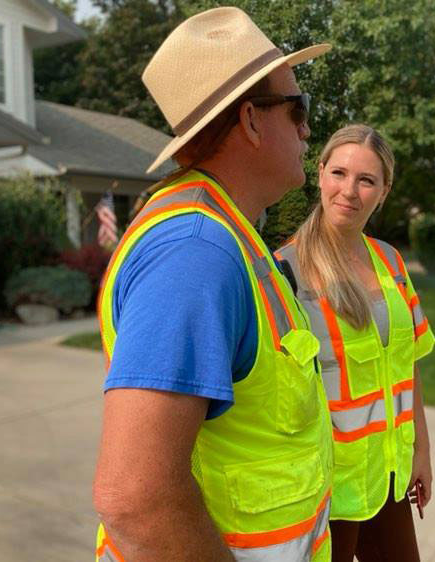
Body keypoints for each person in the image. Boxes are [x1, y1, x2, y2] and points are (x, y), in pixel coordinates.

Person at [92, 8, 334, 561]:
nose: (307, 128)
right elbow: (134, 498)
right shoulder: (196, 254)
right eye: (298, 109)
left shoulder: (230, 236)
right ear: (250, 120)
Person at [276, 124, 435, 562]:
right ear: (320, 172)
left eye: (366, 180)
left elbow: (408, 364)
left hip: (388, 476)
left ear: (383, 191)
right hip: (327, 489)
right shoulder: (285, 272)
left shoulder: (390, 260)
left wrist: (422, 450)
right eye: (339, 173)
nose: (349, 190)